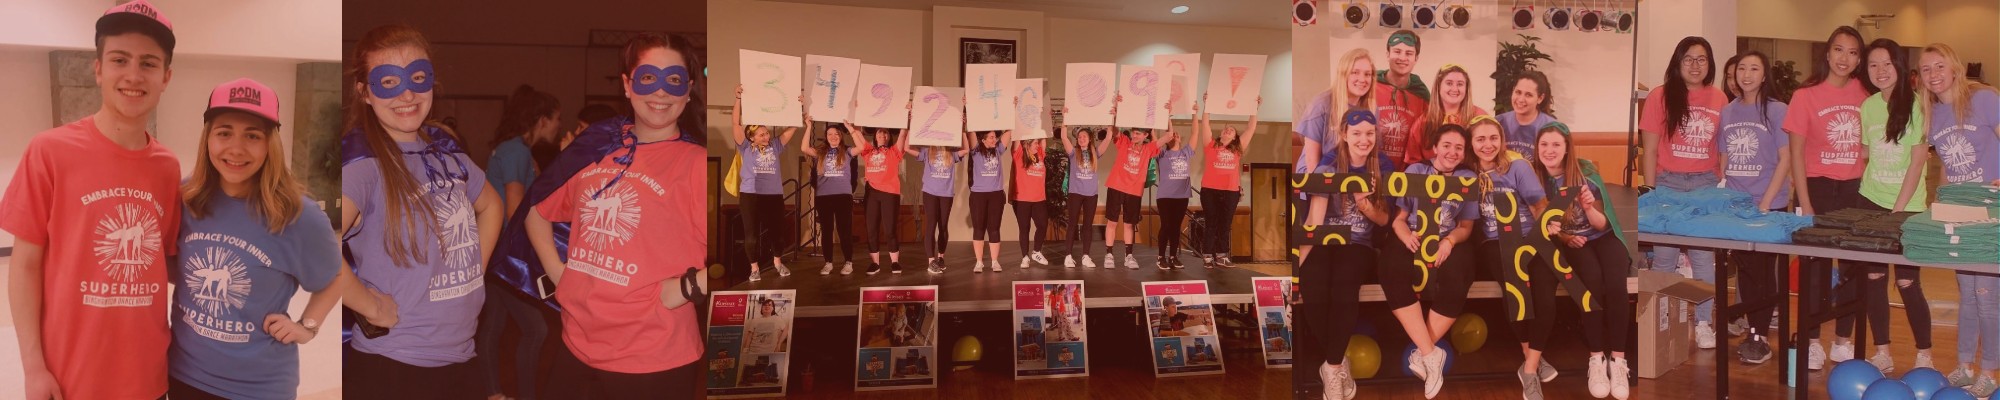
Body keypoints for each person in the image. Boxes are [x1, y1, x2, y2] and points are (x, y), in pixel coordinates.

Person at [2, 2, 182, 398]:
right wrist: (33, 367)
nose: (133, 75)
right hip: (71, 378)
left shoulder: (168, 167)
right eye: (120, 59)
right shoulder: (49, 151)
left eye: (148, 63)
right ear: (98, 69)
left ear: (166, 77)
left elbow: (167, 261)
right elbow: (25, 266)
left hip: (148, 376)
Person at [524, 32, 709, 399]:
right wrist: (560, 274)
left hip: (654, 356)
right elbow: (536, 210)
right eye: (648, 77)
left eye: (673, 79)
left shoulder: (698, 164)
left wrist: (686, 288)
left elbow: (738, 252)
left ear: (688, 91)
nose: (661, 91)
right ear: (627, 85)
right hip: (576, 343)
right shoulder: (595, 150)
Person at [166, 79, 371, 399]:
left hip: (257, 387)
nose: (236, 148)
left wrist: (308, 326)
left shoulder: (298, 214)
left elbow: (335, 276)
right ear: (208, 138)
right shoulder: (188, 196)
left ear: (270, 144)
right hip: (184, 374)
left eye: (252, 135)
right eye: (224, 133)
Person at [341, 23, 506, 399]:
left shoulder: (443, 152)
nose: (407, 94)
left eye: (417, 77)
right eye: (388, 82)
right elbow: (315, 246)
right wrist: (369, 306)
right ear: (364, 92)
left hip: (462, 357)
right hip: (395, 367)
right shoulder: (362, 165)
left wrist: (472, 270)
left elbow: (491, 204)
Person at [1785, 26, 1873, 371]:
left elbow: (1875, 146)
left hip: (1855, 189)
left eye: (1852, 52)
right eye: (1838, 49)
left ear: (1859, 59)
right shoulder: (1805, 95)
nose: (1844, 58)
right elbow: (1796, 153)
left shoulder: (1867, 95)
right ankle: (1810, 341)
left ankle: (1842, 341)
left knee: (1852, 268)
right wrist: (1805, 202)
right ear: (1827, 53)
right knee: (1815, 270)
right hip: (1817, 187)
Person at [1918, 42, 2000, 394]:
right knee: (1966, 294)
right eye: (1926, 69)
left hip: (1991, 211)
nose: (1933, 74)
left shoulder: (1984, 99)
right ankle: (1965, 365)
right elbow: (1948, 166)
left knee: (1986, 295)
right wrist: (1940, 200)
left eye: (1939, 66)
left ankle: (1990, 371)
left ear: (1954, 67)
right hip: (1960, 211)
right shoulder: (1934, 114)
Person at [1297, 109, 1394, 400]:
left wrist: (1364, 203)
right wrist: (1297, 265)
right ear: (1344, 135)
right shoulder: (1328, 165)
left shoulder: (1382, 165)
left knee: (1343, 286)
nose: (1364, 140)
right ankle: (1337, 362)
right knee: (1311, 286)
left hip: (1358, 244)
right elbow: (1314, 221)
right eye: (1357, 133)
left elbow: (1384, 220)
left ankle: (1331, 367)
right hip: (1326, 242)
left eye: (1369, 133)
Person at [1535, 122, 1632, 400]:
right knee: (1591, 284)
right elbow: (1540, 221)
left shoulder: (1586, 174)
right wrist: (1565, 236)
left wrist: (1588, 207)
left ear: (1567, 148)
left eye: (1556, 144)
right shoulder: (1535, 179)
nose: (1550, 150)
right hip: (1574, 242)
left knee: (1616, 286)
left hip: (1602, 237)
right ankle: (1596, 358)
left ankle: (1618, 360)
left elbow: (1602, 224)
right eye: (1544, 144)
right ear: (1537, 148)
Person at [1641, 36, 1726, 350]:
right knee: (1664, 258)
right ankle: (1658, 322)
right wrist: (1651, 191)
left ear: (1710, 64)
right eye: (1688, 58)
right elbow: (1650, 150)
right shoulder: (1660, 96)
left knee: (1703, 258)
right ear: (1678, 62)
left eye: (1702, 59)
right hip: (1668, 184)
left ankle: (1703, 323)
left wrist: (1721, 181)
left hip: (1705, 184)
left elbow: (1723, 147)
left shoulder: (1719, 98)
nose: (1695, 65)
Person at [1384, 124, 1480, 399]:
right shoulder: (1416, 171)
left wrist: (1448, 242)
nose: (1452, 152)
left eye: (1459, 148)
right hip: (1413, 235)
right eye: (1446, 145)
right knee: (1392, 270)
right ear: (1435, 147)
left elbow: (1466, 227)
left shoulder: (1467, 178)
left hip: (1447, 238)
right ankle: (1430, 353)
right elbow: (1399, 220)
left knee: (1458, 276)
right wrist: (1407, 237)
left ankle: (1422, 353)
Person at [1466, 116, 1556, 398]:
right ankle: (1532, 362)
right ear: (1471, 143)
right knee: (1515, 290)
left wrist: (1548, 230)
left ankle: (1529, 366)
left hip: (1529, 237)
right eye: (1480, 139)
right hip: (1495, 242)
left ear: (1502, 140)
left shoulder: (1518, 166)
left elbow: (1539, 206)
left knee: (1545, 295)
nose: (1488, 144)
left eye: (1493, 138)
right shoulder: (1466, 174)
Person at [480, 84, 560, 400]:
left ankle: (493, 393)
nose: (558, 126)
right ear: (542, 120)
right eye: (557, 119)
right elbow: (514, 209)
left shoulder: (511, 149)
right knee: (536, 330)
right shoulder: (517, 151)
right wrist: (532, 255)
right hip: (505, 255)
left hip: (495, 251)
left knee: (493, 325)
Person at [1717, 50, 1794, 365]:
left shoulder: (1777, 110)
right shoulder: (1727, 111)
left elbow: (1786, 158)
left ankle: (1760, 336)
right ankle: (1753, 330)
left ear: (1764, 76)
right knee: (1746, 273)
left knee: (1763, 272)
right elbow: (1724, 159)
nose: (1746, 75)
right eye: (1741, 69)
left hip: (1768, 205)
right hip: (1736, 206)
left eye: (1754, 69)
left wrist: (1766, 203)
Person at [730, 86, 801, 280]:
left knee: (778, 233)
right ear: (751, 137)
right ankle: (754, 269)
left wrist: (798, 106)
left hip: (773, 195)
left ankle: (778, 262)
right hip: (751, 194)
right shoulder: (745, 147)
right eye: (761, 135)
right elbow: (735, 123)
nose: (767, 137)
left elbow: (793, 126)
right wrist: (738, 99)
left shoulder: (775, 145)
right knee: (751, 235)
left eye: (767, 133)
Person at [1194, 95, 1258, 268]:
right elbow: (1205, 124)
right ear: (1221, 134)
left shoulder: (1238, 149)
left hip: (1231, 191)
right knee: (1211, 222)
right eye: (1225, 129)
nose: (1227, 130)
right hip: (1210, 190)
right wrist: (1207, 104)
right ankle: (1208, 255)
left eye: (1231, 130)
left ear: (1235, 136)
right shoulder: (1211, 145)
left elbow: (1251, 128)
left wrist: (1254, 108)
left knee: (1225, 223)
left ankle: (1222, 255)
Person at [1103, 95, 1165, 270]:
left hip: (1134, 191)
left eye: (1138, 133)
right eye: (1133, 132)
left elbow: (1167, 137)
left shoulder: (1148, 149)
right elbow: (1114, 130)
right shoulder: (1124, 142)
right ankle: (1109, 254)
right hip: (1116, 186)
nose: (1134, 135)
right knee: (1112, 221)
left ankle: (1128, 256)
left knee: (1129, 224)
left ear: (1146, 135)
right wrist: (1115, 110)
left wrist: (1165, 116)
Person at [1296, 49, 1380, 174]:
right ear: (1343, 74)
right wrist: (1319, 185)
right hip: (1318, 173)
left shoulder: (1372, 108)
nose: (1362, 79)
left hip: (1349, 173)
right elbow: (1311, 162)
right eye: (1355, 72)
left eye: (1367, 74)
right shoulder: (1321, 105)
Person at [852, 123, 912, 275]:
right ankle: (875, 263)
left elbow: (902, 135)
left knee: (890, 229)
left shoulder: (894, 151)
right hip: (871, 193)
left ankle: (895, 262)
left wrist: (905, 123)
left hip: (890, 194)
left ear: (889, 136)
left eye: (886, 133)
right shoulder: (868, 151)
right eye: (880, 132)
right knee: (871, 229)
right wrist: (851, 127)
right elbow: (858, 137)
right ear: (875, 136)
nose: (882, 135)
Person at [1406, 65, 1489, 164]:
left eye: (1460, 84)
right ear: (1438, 86)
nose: (1455, 89)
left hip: (1471, 172)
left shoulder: (1480, 117)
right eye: (1449, 83)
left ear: (1466, 88)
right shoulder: (1423, 121)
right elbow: (1413, 162)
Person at [808, 122, 861, 275]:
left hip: (843, 196)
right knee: (826, 230)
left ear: (841, 136)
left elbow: (862, 147)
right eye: (830, 134)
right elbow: (804, 148)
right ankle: (828, 263)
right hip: (824, 197)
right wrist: (808, 126)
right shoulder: (820, 152)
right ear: (826, 136)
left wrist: (850, 129)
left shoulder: (847, 151)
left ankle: (848, 262)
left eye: (836, 134)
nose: (833, 137)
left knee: (844, 230)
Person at [1374, 30, 1432, 167]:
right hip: (1371, 170)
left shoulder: (1422, 95)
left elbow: (1425, 138)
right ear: (1388, 54)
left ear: (1416, 58)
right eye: (1397, 51)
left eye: (1409, 53)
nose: (1402, 57)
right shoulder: (1370, 86)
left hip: (1407, 174)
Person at [1059, 119, 1111, 268]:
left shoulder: (1095, 152)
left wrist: (1110, 121)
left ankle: (1086, 256)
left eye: (1084, 137)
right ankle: (1068, 256)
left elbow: (1108, 138)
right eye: (1079, 137)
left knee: (1088, 225)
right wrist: (1065, 119)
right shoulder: (1073, 152)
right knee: (1072, 224)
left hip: (1091, 195)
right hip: (1075, 193)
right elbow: (1064, 137)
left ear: (1089, 139)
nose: (1081, 139)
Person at [918, 130, 970, 274]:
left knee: (943, 225)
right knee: (931, 224)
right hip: (930, 192)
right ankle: (931, 261)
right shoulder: (928, 151)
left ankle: (941, 257)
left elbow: (966, 149)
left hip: (946, 193)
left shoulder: (951, 153)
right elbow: (907, 148)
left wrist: (963, 130)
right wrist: (910, 127)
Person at [967, 130, 1012, 272]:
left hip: (996, 195)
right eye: (991, 137)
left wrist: (1010, 116)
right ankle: (979, 262)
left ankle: (994, 262)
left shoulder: (998, 150)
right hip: (978, 195)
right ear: (983, 140)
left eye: (995, 137)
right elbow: (971, 131)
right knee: (979, 228)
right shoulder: (975, 151)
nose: (994, 139)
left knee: (994, 228)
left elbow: (1009, 132)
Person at [1153, 125, 1194, 270]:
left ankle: (1173, 257)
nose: (1174, 136)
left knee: (1176, 227)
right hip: (1165, 196)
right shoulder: (1162, 153)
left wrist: (1195, 115)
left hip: (1182, 196)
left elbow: (1195, 133)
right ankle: (1160, 257)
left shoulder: (1185, 153)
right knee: (1166, 226)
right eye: (1171, 135)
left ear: (1180, 139)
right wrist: (1162, 120)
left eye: (1176, 134)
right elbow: (1154, 141)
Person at [1010, 133, 1051, 270]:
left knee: (1042, 225)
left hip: (1039, 199)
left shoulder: (1040, 154)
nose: (1037, 145)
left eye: (1038, 143)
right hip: (1022, 199)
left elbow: (1044, 135)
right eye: (1035, 143)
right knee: (1024, 228)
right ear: (1027, 144)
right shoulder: (1019, 154)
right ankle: (1025, 257)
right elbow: (1016, 137)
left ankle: (1036, 252)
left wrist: (1044, 124)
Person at [1496, 71, 1558, 157]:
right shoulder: (1498, 122)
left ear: (1540, 98)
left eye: (1528, 95)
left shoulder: (1551, 127)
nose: (1521, 99)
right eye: (1518, 92)